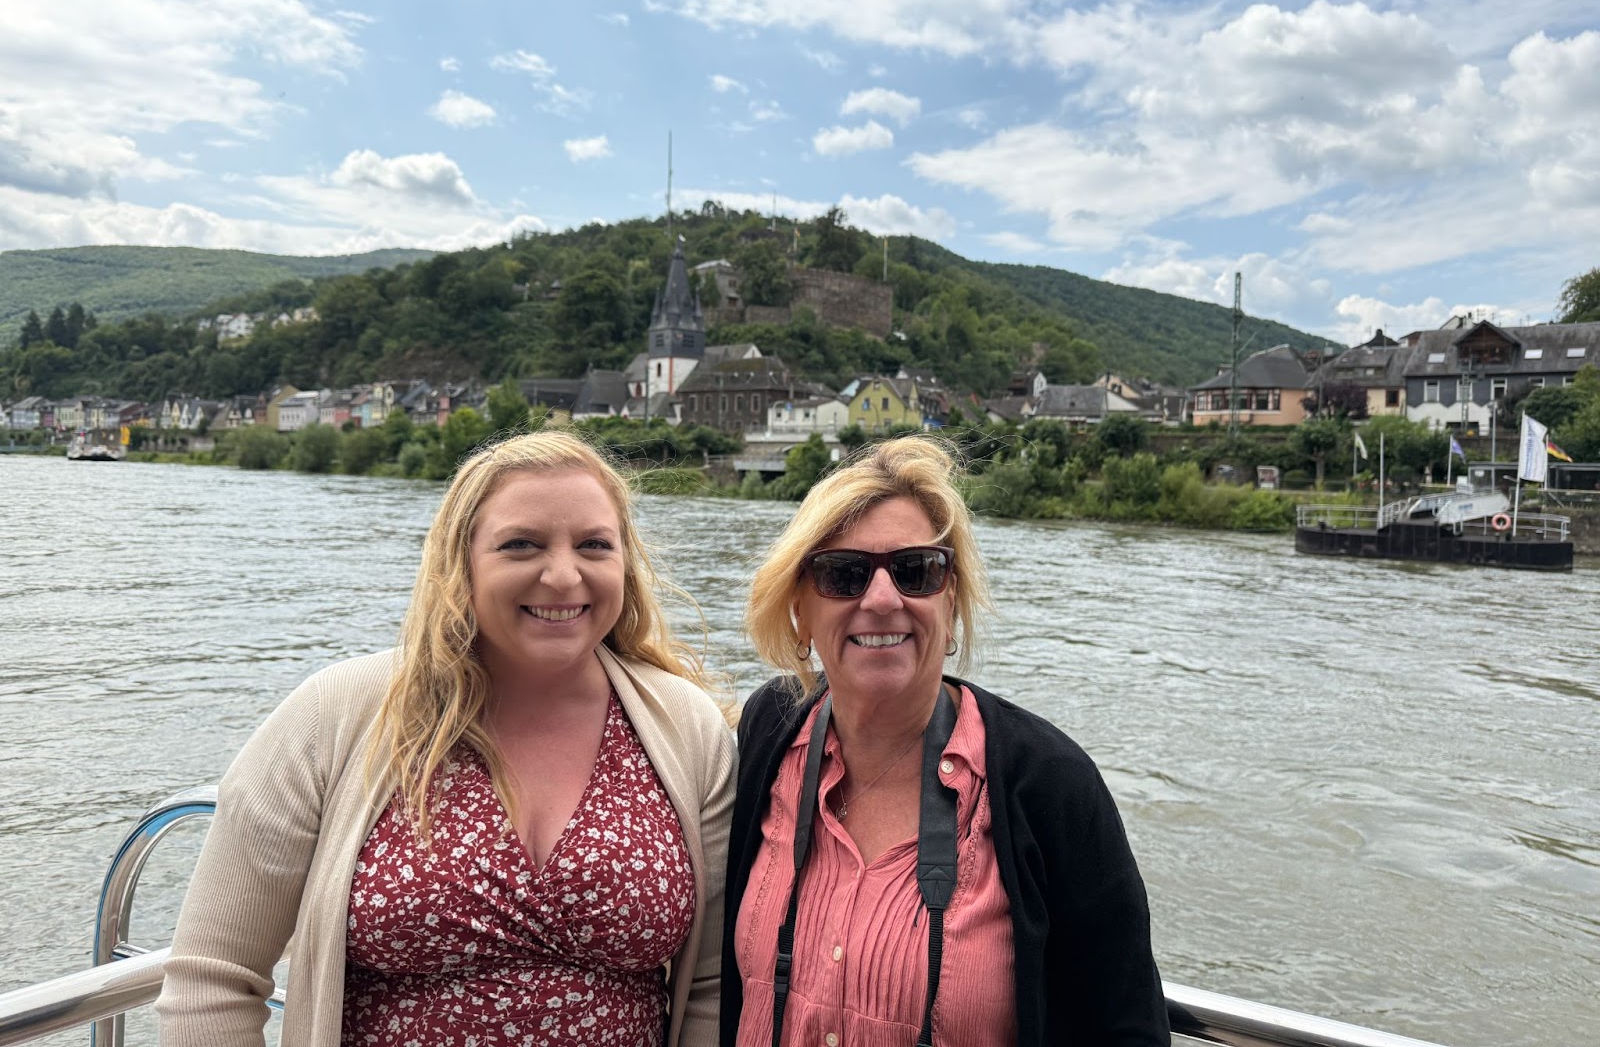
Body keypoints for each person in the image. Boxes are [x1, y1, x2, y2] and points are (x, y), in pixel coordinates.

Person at [158, 431, 735, 1047]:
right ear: (460, 563)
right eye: (521, 545)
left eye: (595, 545)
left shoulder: (686, 729)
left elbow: (711, 986)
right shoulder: (334, 716)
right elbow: (213, 979)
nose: (564, 575)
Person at [721, 436, 1168, 1046]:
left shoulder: (1048, 781)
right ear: (799, 606)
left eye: (916, 571)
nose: (882, 600)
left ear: (951, 598)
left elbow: (1124, 1028)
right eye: (842, 575)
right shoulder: (771, 728)